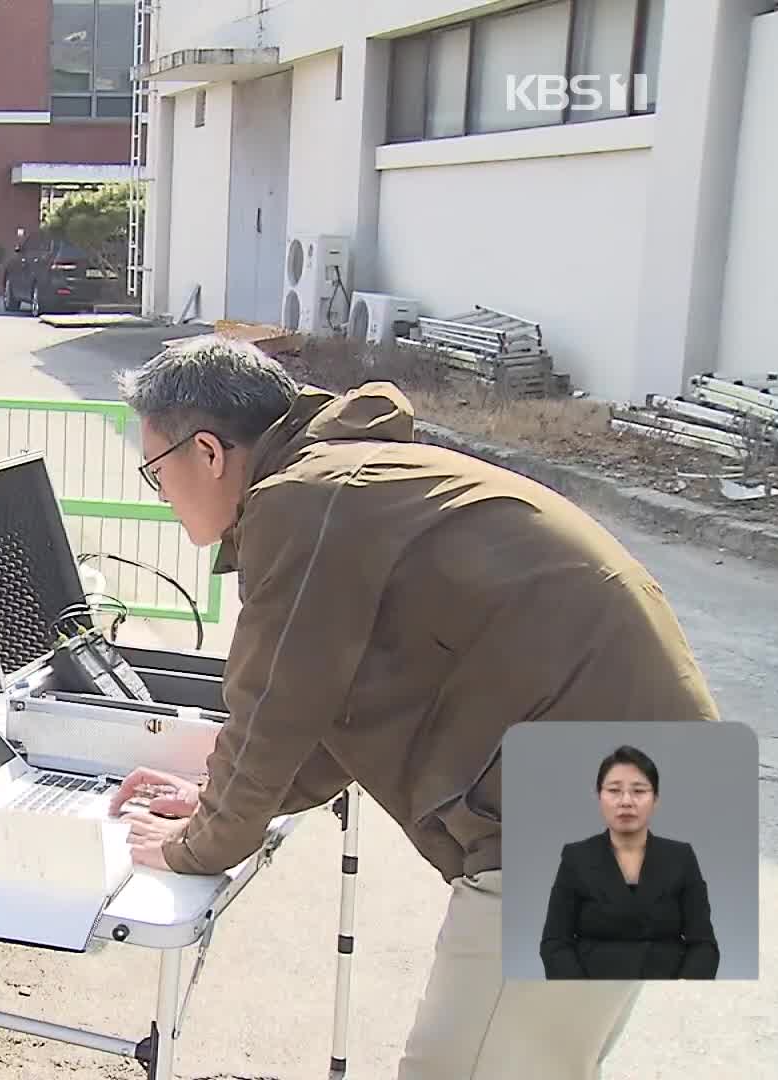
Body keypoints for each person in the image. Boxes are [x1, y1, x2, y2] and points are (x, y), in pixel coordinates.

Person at [101, 336, 720, 1080]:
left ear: (207, 453)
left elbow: (274, 704)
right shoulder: (344, 479)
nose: (157, 494)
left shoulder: (301, 501)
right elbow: (330, 706)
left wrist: (197, 845)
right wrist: (220, 804)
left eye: (154, 471)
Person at [539, 744, 719, 980]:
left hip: (666, 992)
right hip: (594, 993)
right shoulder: (576, 857)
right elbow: (554, 943)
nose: (626, 801)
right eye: (614, 790)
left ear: (655, 799)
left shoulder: (681, 857)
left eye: (639, 791)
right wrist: (580, 993)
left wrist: (681, 992)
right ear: (599, 796)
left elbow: (704, 945)